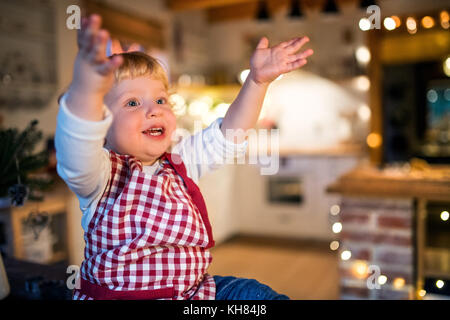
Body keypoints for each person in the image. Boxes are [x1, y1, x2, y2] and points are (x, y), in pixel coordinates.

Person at [55, 14, 313, 300]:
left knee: (256, 295)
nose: (153, 110)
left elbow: (230, 134)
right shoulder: (99, 174)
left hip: (193, 294)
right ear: (101, 123)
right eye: (132, 102)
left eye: (161, 99)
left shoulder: (180, 159)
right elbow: (75, 148)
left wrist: (257, 81)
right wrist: (86, 89)